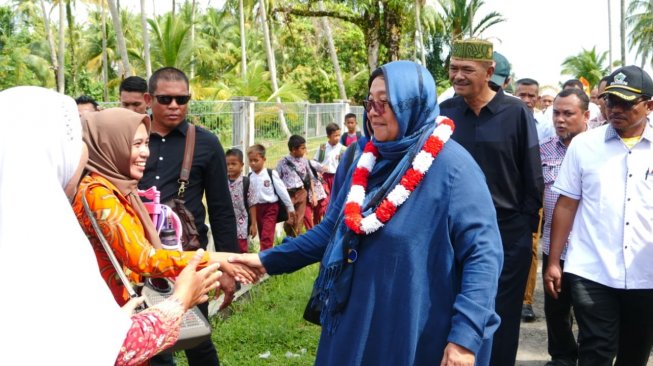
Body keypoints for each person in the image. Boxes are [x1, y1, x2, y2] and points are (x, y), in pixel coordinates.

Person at [230, 60, 503, 365]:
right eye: (369, 101)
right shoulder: (365, 160)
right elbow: (330, 231)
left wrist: (464, 339)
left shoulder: (454, 169)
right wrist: (265, 260)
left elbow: (484, 256)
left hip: (413, 330)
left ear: (413, 104)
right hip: (355, 321)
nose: (373, 110)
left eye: (385, 102)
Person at [0, 86, 221, 366]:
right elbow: (108, 351)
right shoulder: (50, 236)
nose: (81, 153)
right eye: (74, 141)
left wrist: (113, 321)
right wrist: (178, 302)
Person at [73, 108, 255, 307]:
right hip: (110, 308)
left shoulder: (117, 188)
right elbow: (145, 259)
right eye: (136, 144)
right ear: (110, 146)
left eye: (146, 143)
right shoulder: (99, 194)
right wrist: (214, 259)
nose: (146, 153)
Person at [439, 39, 544, 366]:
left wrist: (520, 231)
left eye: (466, 70)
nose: (458, 76)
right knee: (452, 313)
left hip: (506, 236)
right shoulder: (444, 115)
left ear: (489, 71)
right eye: (454, 69)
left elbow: (532, 178)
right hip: (451, 236)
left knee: (500, 318)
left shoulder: (516, 113)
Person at [544, 65, 653, 366]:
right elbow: (566, 204)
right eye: (610, 101)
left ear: (649, 105)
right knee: (597, 348)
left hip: (646, 274)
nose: (615, 109)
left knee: (635, 352)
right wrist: (554, 261)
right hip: (592, 269)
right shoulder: (584, 145)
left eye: (626, 103)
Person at [137, 66, 239, 366]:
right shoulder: (132, 139)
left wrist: (229, 266)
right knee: (151, 344)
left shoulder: (206, 143)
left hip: (188, 262)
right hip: (138, 260)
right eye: (165, 99)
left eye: (181, 99)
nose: (174, 106)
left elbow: (222, 210)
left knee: (197, 338)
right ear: (148, 98)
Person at [539, 88, 589, 366]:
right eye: (556, 113)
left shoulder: (598, 150)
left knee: (589, 309)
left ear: (586, 115)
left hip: (589, 248)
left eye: (568, 113)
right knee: (556, 307)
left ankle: (588, 356)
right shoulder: (543, 150)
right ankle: (561, 357)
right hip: (554, 245)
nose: (560, 119)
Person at [246, 144, 295, 251]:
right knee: (262, 231)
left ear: (264, 159)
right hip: (257, 209)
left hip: (271, 208)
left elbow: (282, 191)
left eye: (256, 160)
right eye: (250, 161)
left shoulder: (270, 174)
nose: (253, 163)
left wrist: (290, 207)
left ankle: (265, 258)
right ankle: (266, 254)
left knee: (267, 235)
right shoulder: (249, 177)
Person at [276, 134, 315, 237]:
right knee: (289, 221)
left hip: (301, 193)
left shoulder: (304, 161)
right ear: (294, 149)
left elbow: (309, 177)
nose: (305, 150)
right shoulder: (282, 162)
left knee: (299, 221)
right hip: (288, 195)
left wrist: (313, 194)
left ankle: (295, 243)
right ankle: (289, 238)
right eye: (302, 148)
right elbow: (277, 181)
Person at [225, 148, 254, 253]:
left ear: (241, 165)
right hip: (226, 223)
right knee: (226, 250)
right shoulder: (222, 182)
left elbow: (252, 204)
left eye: (234, 164)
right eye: (227, 164)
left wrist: (253, 224)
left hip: (242, 224)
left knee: (241, 250)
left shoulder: (246, 182)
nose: (230, 167)